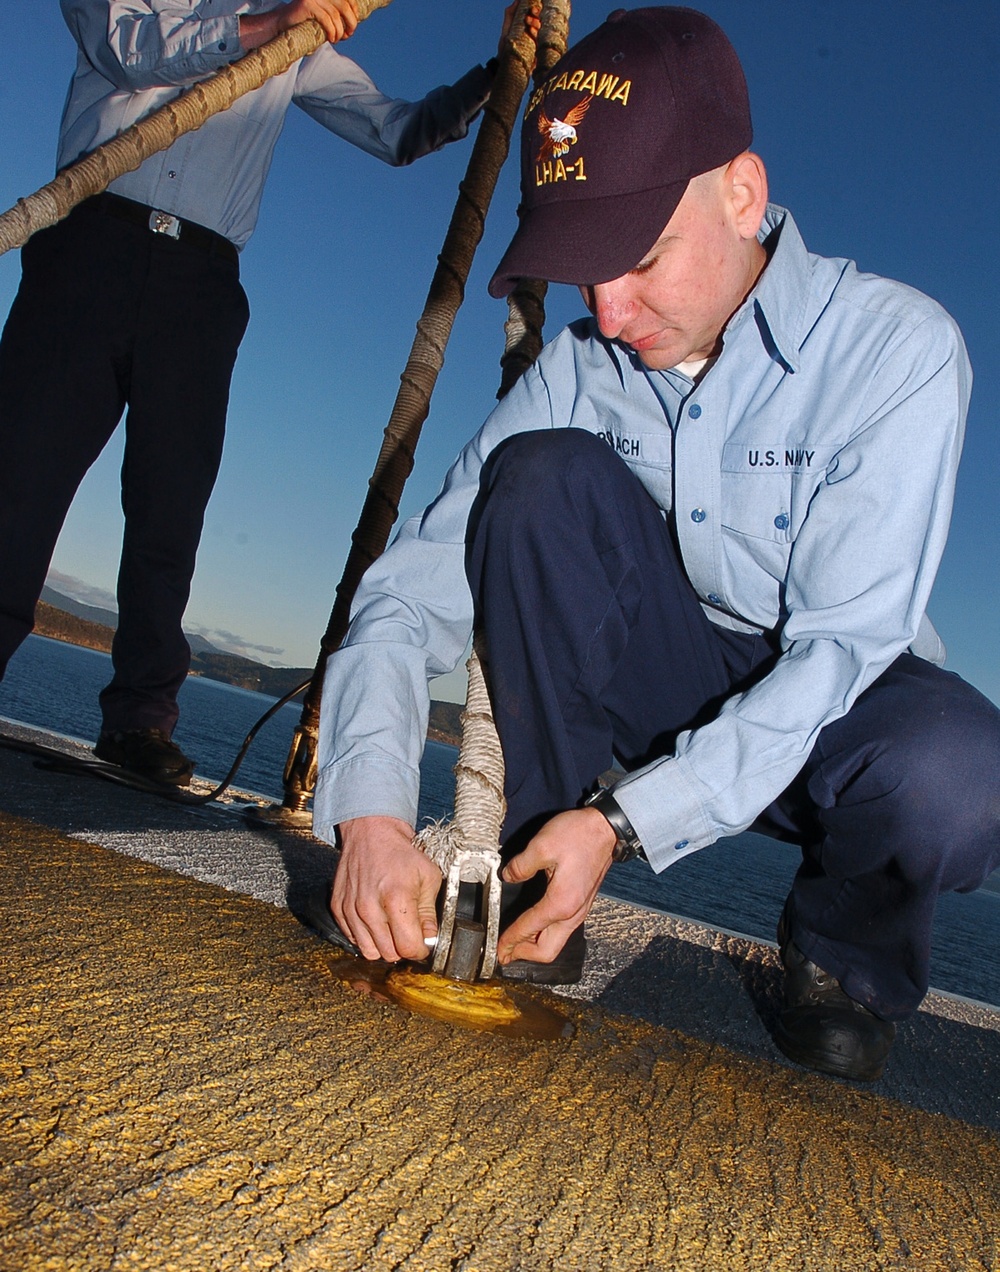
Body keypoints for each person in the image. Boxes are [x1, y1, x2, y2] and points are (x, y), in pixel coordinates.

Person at [312, 6, 1000, 1082]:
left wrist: (627, 823)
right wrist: (367, 812)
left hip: (845, 698)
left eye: (636, 258)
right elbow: (407, 596)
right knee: (532, 478)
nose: (610, 310)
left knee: (957, 776)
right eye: (582, 267)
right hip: (668, 667)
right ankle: (542, 884)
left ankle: (840, 959)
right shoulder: (578, 368)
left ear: (741, 194)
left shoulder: (899, 350)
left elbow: (834, 655)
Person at [0, 0, 532, 786]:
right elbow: (128, 48)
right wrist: (278, 24)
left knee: (169, 511)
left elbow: (401, 132)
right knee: (18, 483)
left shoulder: (300, 37)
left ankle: (140, 720)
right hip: (89, 247)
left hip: (201, 283)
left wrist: (499, 71)